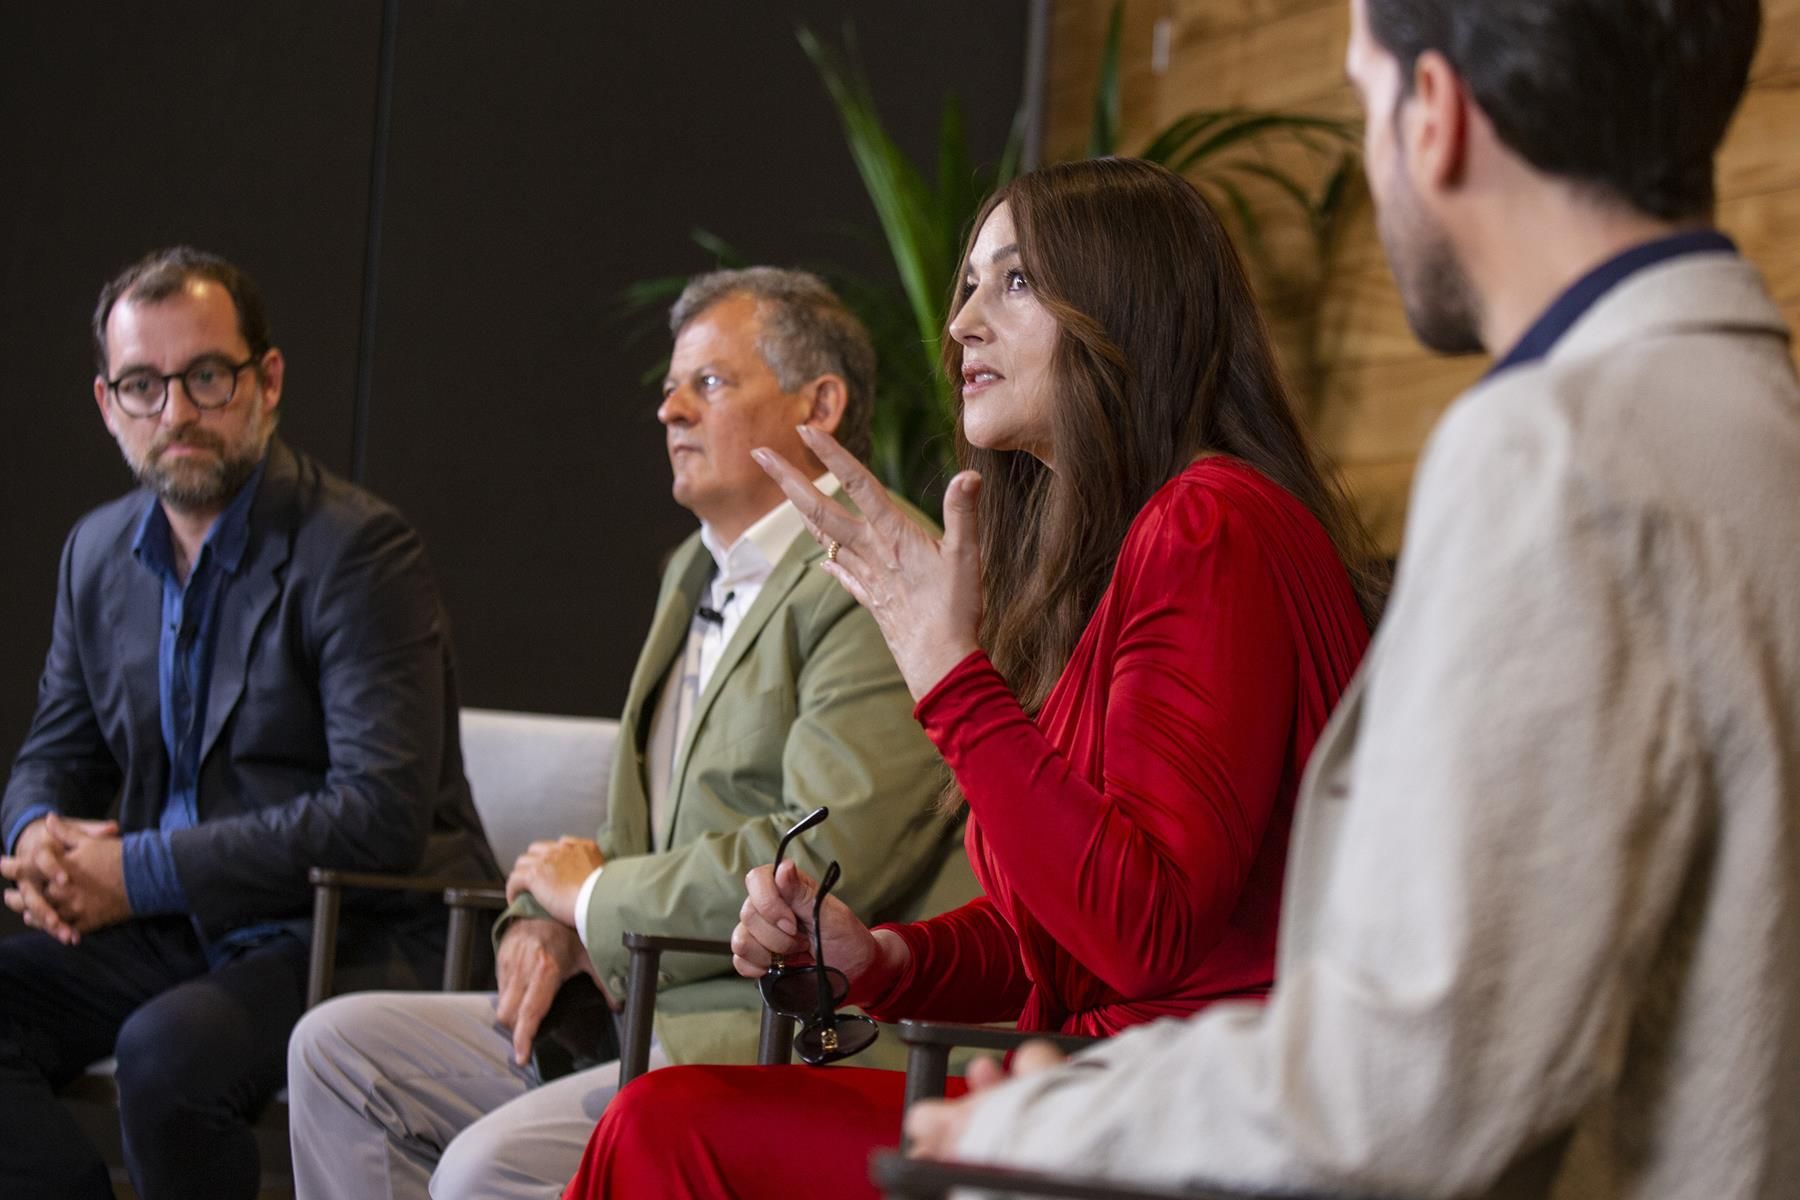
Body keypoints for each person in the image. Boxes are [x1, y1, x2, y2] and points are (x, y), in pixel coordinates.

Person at [896, 2, 1800, 1198]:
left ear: (1434, 116)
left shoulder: (1547, 455)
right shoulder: (1756, 419)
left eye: (1365, 96)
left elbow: (1418, 1068)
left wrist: (1057, 1125)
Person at [567, 156, 1383, 1199]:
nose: (959, 326)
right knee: (664, 1122)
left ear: (1124, 307)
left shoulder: (1212, 524)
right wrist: (888, 960)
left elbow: (1143, 929)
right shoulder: (1138, 549)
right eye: (967, 286)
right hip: (1096, 1087)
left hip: (1184, 1118)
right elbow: (1068, 922)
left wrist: (950, 678)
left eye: (1016, 281)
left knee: (670, 1131)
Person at [285, 267, 954, 1200]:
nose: (670, 410)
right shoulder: (692, 568)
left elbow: (824, 858)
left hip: (769, 1029)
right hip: (637, 994)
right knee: (335, 1051)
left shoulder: (873, 575)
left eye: (709, 384)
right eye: (672, 387)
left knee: (485, 1169)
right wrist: (547, 920)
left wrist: (595, 901)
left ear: (823, 403)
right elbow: (634, 830)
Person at [0, 246, 492, 1200]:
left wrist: (131, 874)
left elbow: (379, 814)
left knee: (165, 1059)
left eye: (206, 377)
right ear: (109, 405)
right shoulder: (97, 553)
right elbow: (53, 752)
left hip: (345, 926)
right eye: (143, 385)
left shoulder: (359, 552)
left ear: (265, 381)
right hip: (185, 926)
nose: (176, 413)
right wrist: (35, 837)